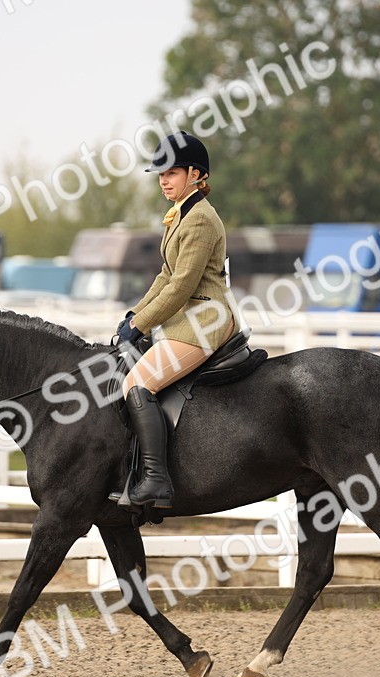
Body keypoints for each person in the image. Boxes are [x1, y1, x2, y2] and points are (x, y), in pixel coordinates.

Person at [116, 131, 237, 509]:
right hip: (184, 319)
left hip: (204, 320)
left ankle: (155, 480)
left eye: (171, 172)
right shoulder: (180, 215)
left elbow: (183, 284)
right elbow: (164, 277)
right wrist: (136, 313)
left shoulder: (200, 218)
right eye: (160, 174)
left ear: (195, 174)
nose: (163, 180)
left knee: (138, 384)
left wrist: (141, 325)